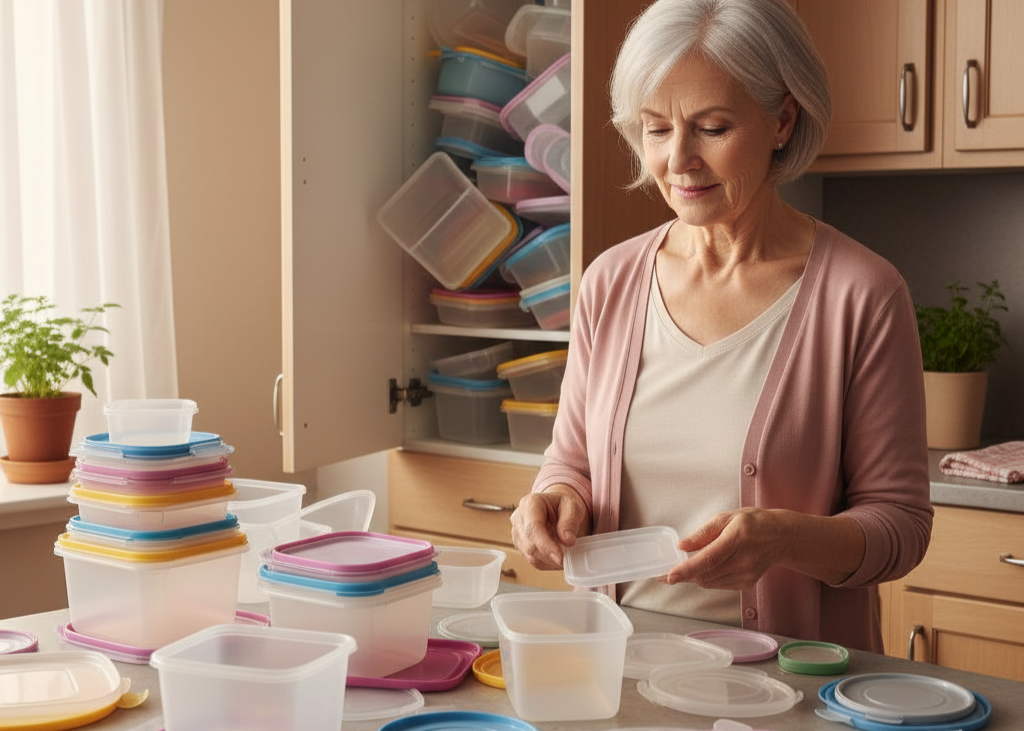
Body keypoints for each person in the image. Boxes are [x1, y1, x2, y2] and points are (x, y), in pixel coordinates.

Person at [510, 0, 932, 653]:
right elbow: (571, 461)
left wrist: (784, 539)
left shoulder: (863, 295)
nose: (678, 160)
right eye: (655, 129)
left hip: (785, 689)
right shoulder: (610, 282)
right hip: (618, 670)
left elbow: (900, 527)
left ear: (782, 120)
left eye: (710, 127)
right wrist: (552, 498)